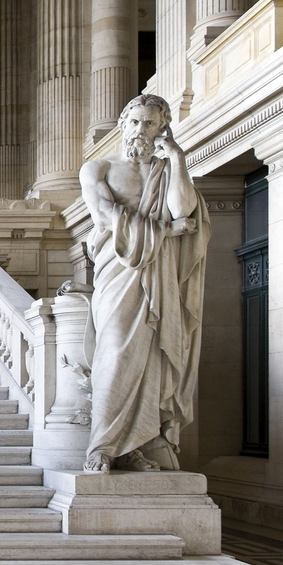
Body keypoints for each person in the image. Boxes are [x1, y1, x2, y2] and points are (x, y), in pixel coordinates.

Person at [78, 94, 209, 473]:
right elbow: (104, 217)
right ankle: (101, 446)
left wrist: (179, 159)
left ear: (162, 128)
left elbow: (184, 209)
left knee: (152, 358)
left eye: (150, 123)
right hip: (119, 270)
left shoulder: (167, 171)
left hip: (159, 275)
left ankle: (135, 445)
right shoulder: (98, 168)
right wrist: (169, 231)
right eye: (135, 122)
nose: (141, 130)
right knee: (116, 349)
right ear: (123, 124)